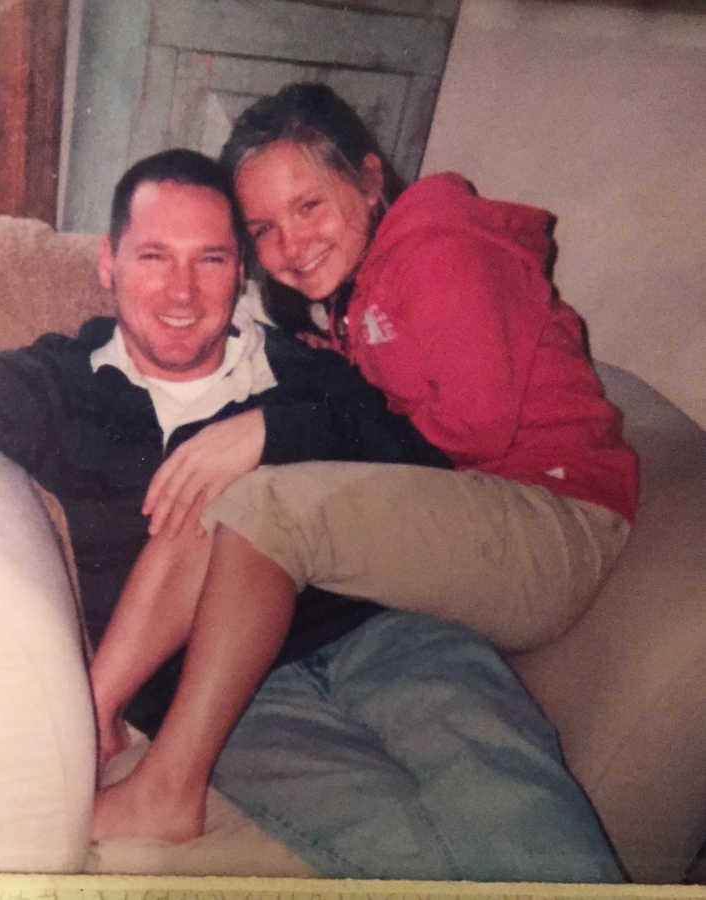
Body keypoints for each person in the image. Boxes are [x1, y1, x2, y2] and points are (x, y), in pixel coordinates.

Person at [0, 148, 622, 882]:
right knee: (397, 843)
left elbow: (415, 457)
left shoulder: (308, 371)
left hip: (390, 632)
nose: (183, 292)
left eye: (212, 260)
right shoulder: (63, 385)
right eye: (154, 257)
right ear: (109, 263)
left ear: (241, 273)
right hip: (228, 693)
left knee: (511, 792)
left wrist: (271, 432)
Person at [87, 83, 637, 879]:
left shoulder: (438, 247)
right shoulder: (356, 299)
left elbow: (469, 430)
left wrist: (280, 431)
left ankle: (168, 785)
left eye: (310, 206)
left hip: (552, 520)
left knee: (258, 503)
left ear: (372, 181)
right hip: (492, 529)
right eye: (264, 230)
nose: (291, 245)